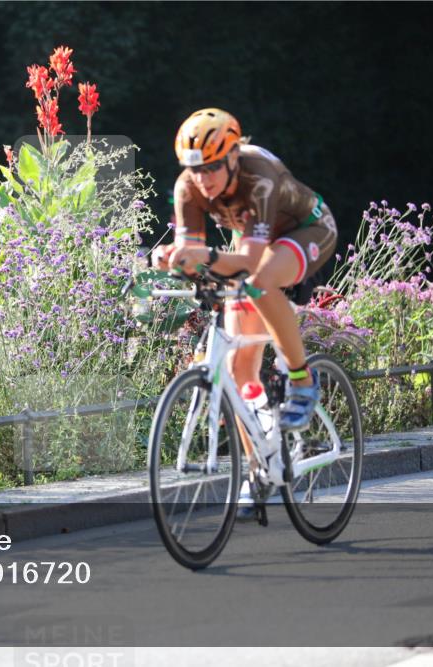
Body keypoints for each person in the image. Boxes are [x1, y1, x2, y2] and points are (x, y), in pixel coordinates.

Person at [152, 108, 338, 512]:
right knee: (238, 372)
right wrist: (173, 259)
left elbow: (251, 262)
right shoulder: (189, 187)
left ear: (233, 156)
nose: (203, 179)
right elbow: (196, 255)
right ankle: (261, 464)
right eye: (194, 169)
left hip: (305, 230)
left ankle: (302, 379)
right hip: (250, 241)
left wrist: (202, 256)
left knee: (259, 282)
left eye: (213, 167)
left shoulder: (258, 178)